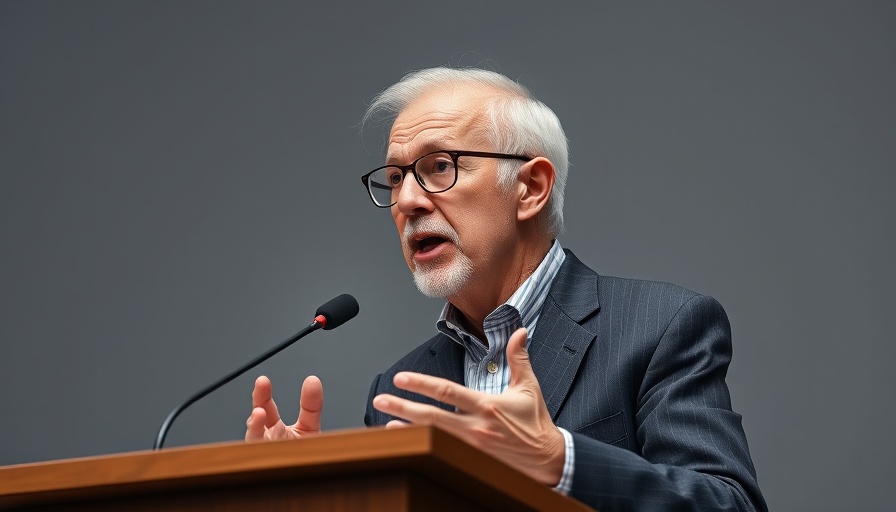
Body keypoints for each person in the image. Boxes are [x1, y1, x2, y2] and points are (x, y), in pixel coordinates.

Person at [245, 67, 768, 512]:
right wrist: (306, 496)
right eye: (395, 177)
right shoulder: (399, 390)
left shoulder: (659, 326)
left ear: (531, 188)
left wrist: (563, 461)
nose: (407, 200)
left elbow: (730, 503)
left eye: (437, 168)